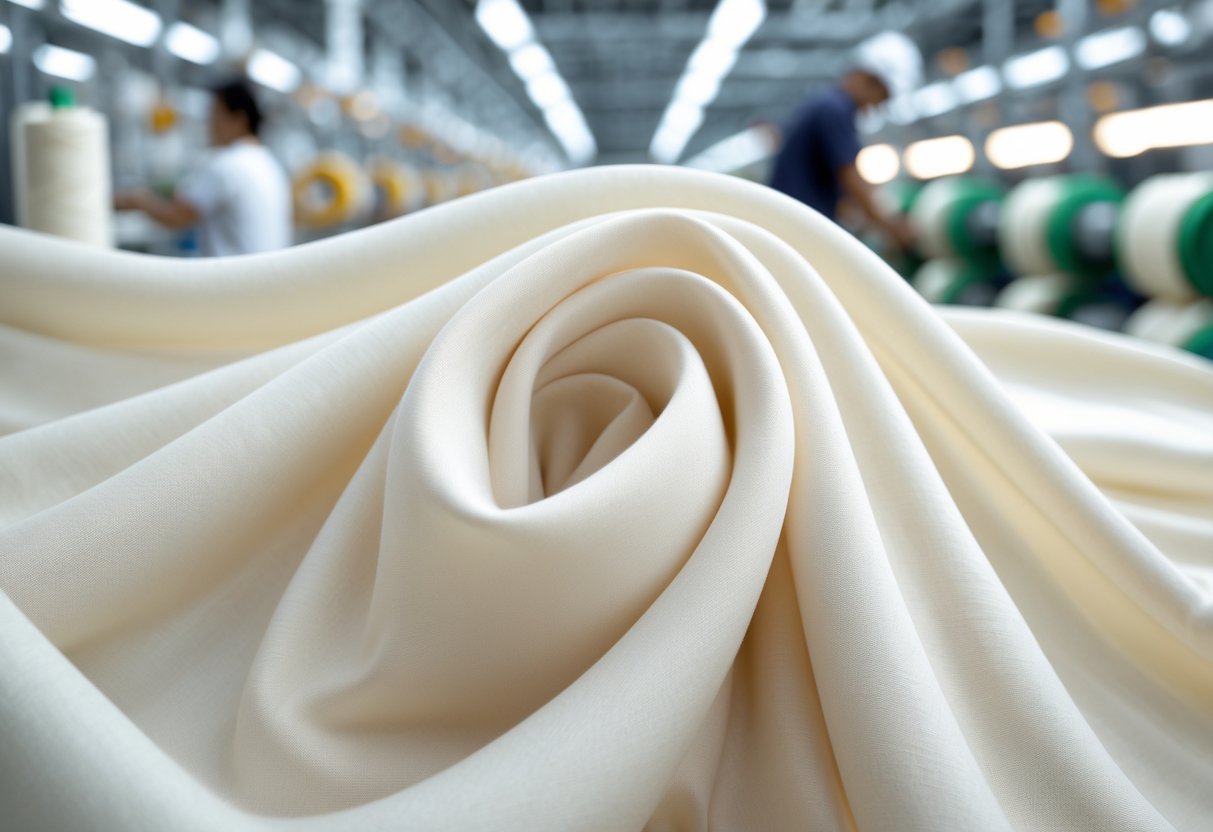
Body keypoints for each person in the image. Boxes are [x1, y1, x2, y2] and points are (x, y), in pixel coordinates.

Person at [769, 35, 919, 251]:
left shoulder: (824, 103)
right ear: (870, 80)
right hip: (798, 229)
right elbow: (851, 178)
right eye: (882, 97)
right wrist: (891, 228)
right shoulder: (834, 110)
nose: (877, 106)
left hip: (790, 223)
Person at [114, 80, 291, 256]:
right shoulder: (269, 162)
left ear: (239, 119)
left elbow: (176, 217)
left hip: (234, 273)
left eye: (214, 116)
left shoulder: (227, 164)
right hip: (267, 271)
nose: (209, 125)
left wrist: (138, 200)